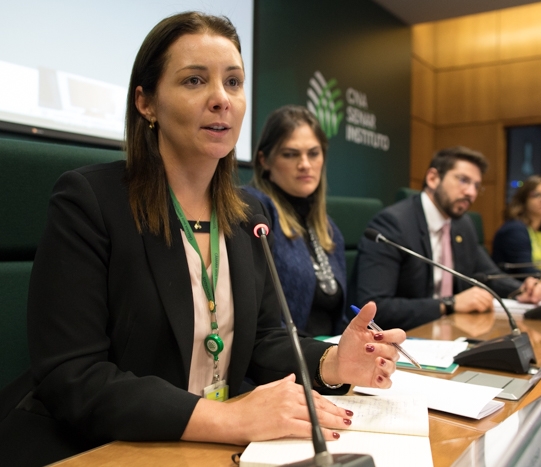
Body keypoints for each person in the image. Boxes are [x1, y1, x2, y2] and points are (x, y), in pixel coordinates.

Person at [0, 12, 403, 466]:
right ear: (146, 103)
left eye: (233, 82)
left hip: (206, 449)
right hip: (104, 448)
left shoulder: (247, 214)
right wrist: (228, 419)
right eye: (194, 80)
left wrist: (333, 363)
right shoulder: (90, 201)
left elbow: (264, 339)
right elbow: (74, 376)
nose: (221, 99)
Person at [350, 146, 541, 331]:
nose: (471, 193)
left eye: (476, 186)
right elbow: (374, 307)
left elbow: (488, 275)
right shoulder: (393, 224)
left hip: (450, 331)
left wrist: (522, 290)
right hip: (403, 336)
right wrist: (449, 304)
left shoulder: (462, 225)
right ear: (433, 178)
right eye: (463, 180)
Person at [244, 106, 346, 336]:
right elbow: (262, 322)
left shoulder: (329, 228)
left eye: (314, 153)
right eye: (290, 154)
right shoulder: (256, 211)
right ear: (264, 160)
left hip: (332, 352)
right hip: (288, 355)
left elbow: (338, 318)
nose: (305, 164)